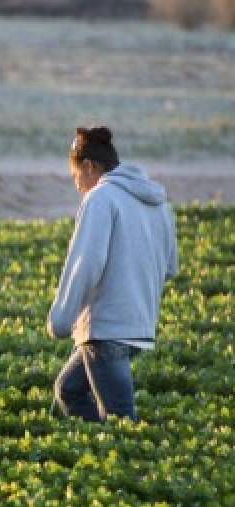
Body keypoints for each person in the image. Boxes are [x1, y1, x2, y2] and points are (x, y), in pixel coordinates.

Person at [48, 126, 179, 422]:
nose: (78, 186)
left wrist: (60, 320)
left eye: (75, 177)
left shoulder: (100, 198)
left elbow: (86, 264)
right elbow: (169, 267)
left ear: (89, 166)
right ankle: (94, 453)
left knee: (122, 421)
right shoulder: (160, 205)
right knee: (69, 389)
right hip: (138, 327)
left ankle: (125, 461)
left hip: (107, 328)